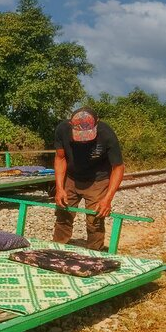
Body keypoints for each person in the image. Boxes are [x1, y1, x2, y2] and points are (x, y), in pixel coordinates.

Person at [53, 106, 124, 251]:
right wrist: (60, 188)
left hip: (98, 179)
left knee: (95, 220)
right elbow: (60, 158)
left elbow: (118, 167)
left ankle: (95, 253)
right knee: (63, 214)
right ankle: (57, 249)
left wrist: (107, 199)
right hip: (72, 177)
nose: (84, 141)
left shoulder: (107, 134)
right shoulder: (62, 130)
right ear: (71, 125)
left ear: (97, 123)